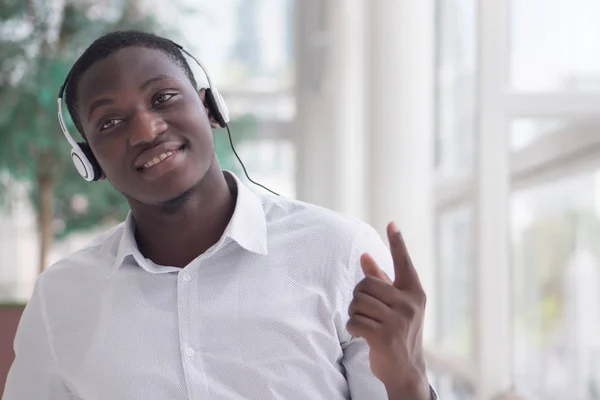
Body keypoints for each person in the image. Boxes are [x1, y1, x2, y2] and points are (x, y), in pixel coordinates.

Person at [3, 31, 436, 400]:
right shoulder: (60, 298)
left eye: (164, 97)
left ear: (212, 109)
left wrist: (407, 379)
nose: (146, 130)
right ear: (89, 161)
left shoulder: (341, 253)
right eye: (110, 123)